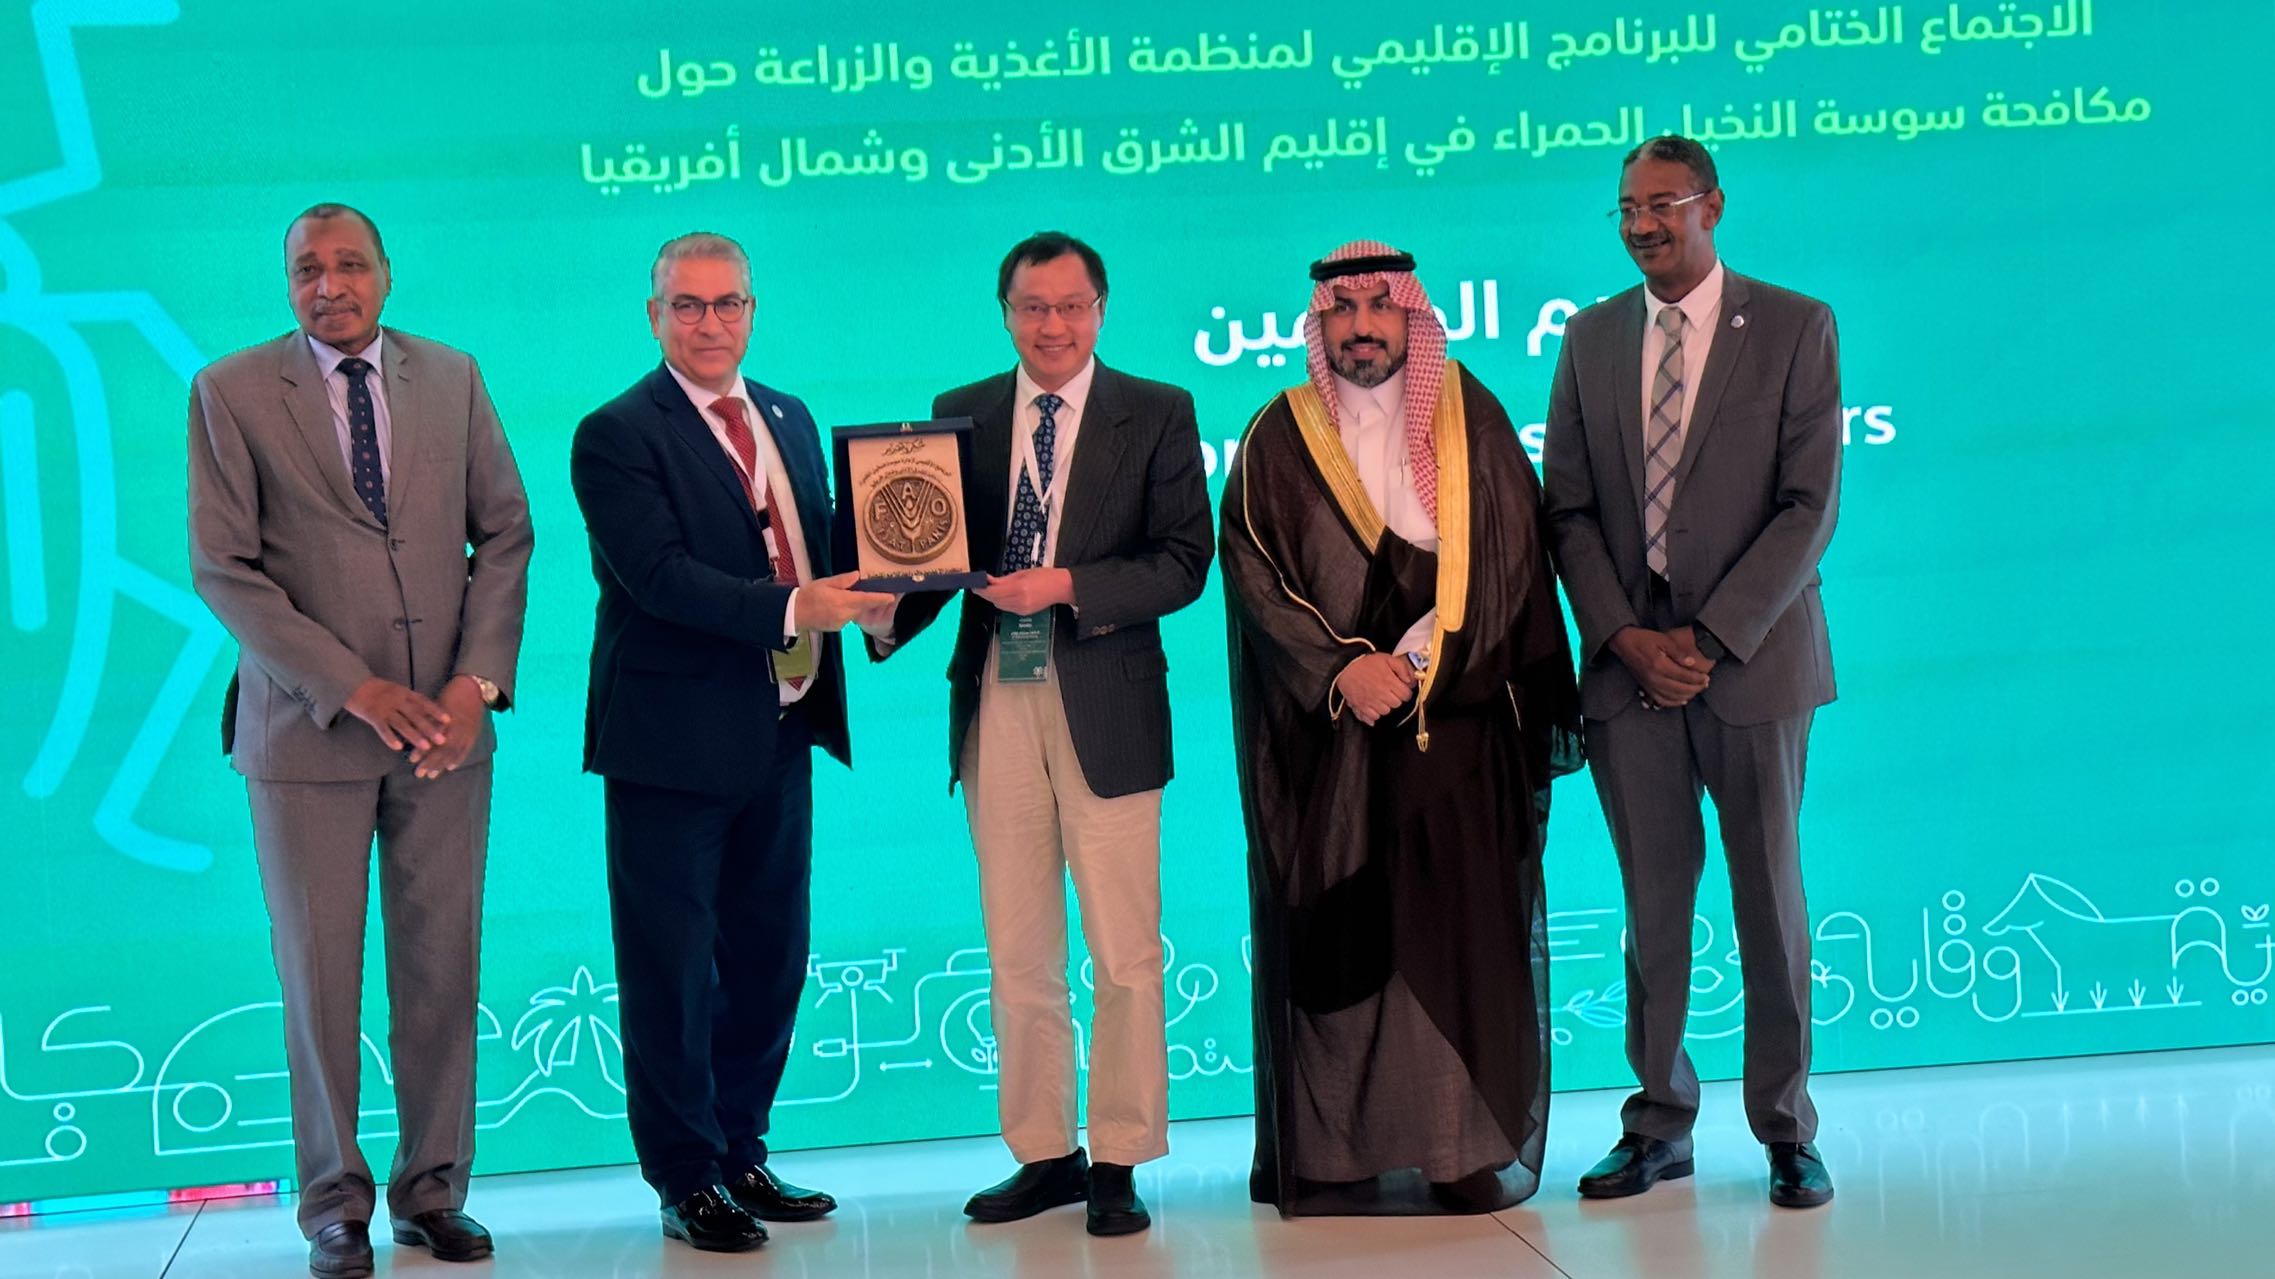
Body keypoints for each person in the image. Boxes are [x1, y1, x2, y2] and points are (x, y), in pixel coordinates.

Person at [187, 203, 532, 1277]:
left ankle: (434, 1191)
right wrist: (355, 686)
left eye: (348, 265)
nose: (328, 285)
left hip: (444, 734)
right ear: (287, 281)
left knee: (441, 967)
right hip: (306, 735)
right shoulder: (231, 391)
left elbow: (505, 530)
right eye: (307, 269)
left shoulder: (454, 376)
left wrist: (474, 684)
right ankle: (333, 1205)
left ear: (386, 273)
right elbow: (225, 569)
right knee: (318, 979)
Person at [1221, 240, 1582, 1217]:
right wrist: (1344, 667)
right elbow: (1254, 574)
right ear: (1319, 325)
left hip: (1456, 727)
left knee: (1462, 938)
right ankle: (1338, 1153)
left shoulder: (1470, 417)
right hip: (1333, 739)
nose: (1362, 326)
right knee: (1341, 939)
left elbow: (1511, 558)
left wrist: (1427, 659)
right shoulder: (1278, 434)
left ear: (1411, 318)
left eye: (1381, 307)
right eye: (1343, 310)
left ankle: (1460, 1148)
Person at [868, 231, 1213, 1236]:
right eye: (1032, 306)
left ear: (1100, 310)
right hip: (995, 695)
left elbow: (1183, 561)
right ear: (1006, 312)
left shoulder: (1157, 410)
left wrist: (1066, 585)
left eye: (1069, 306)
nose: (1051, 325)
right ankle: (1045, 1151)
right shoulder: (959, 413)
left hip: (1105, 695)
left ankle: (1120, 1156)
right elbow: (928, 557)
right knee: (1018, 945)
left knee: (1124, 950)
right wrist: (883, 612)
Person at [567, 231, 892, 1253]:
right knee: (670, 970)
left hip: (781, 729)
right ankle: (684, 1176)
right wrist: (799, 605)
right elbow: (658, 578)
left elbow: (827, 547)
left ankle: (741, 1148)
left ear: (752, 310)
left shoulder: (788, 415)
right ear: (654, 314)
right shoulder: (616, 432)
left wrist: (896, 595)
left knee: (769, 958)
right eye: (688, 304)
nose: (710, 322)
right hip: (669, 745)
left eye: (728, 303)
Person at [1541, 136, 1842, 1209]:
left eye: (1660, 204)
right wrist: (1627, 639)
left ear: (1712, 206)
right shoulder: (1588, 337)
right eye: (1626, 207)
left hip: (1752, 664)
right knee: (1653, 905)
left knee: (1769, 899)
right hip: (1629, 673)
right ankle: (1659, 1123)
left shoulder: (1795, 325)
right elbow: (1567, 508)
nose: (1640, 224)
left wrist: (1706, 640)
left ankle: (1786, 1129)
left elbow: (1808, 507)